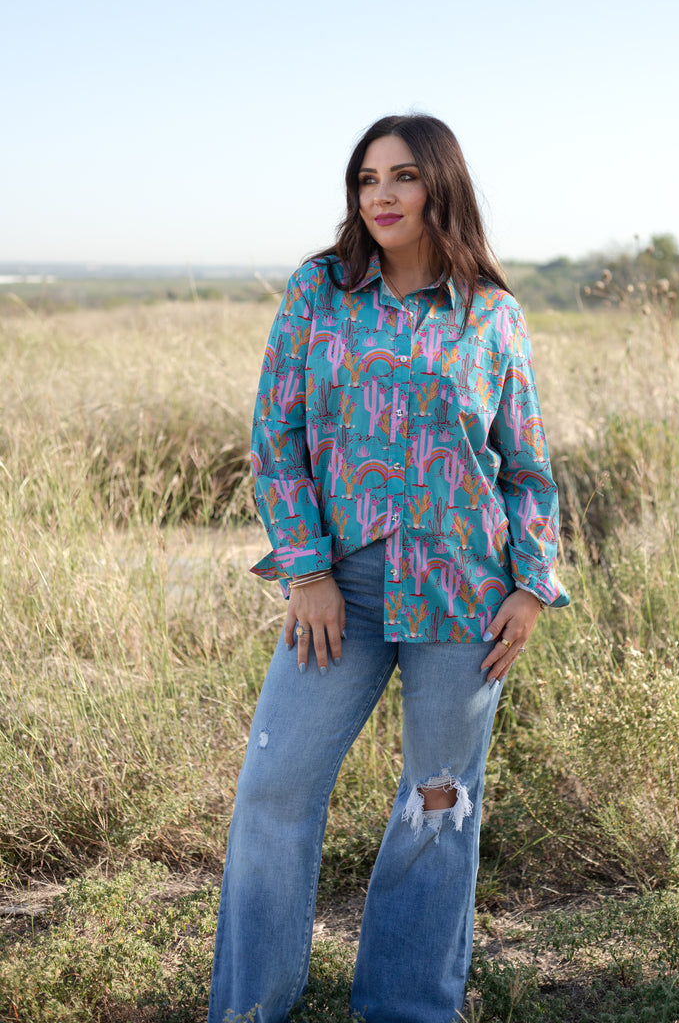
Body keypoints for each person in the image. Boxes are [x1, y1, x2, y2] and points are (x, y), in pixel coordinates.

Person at [208, 113, 569, 1023]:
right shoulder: (319, 293)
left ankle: (408, 1009)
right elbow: (274, 439)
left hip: (463, 594)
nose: (381, 196)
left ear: (439, 186)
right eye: (367, 180)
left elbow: (524, 465)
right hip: (345, 588)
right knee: (275, 787)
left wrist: (531, 584)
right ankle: (248, 1009)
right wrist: (306, 571)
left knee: (437, 806)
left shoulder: (492, 314)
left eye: (402, 177)